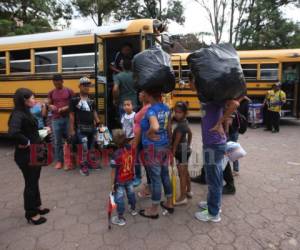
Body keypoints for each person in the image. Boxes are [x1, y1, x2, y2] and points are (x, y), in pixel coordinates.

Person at [8, 88, 50, 225]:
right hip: (27, 155)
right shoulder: (18, 114)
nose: (35, 100)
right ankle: (31, 214)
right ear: (24, 101)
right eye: (32, 98)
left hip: (36, 150)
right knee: (30, 183)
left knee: (35, 180)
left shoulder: (26, 112)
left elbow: (29, 130)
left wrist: (42, 131)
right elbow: (14, 132)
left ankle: (37, 206)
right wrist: (26, 142)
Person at [139, 90, 173, 219]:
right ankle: (169, 202)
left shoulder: (151, 110)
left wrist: (148, 134)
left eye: (145, 93)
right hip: (164, 146)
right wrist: (169, 146)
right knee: (165, 175)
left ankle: (154, 209)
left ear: (149, 95)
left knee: (155, 178)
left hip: (153, 149)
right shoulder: (166, 108)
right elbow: (169, 128)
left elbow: (155, 126)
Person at [69, 77, 100, 176]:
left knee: (91, 146)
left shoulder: (91, 100)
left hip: (91, 127)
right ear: (79, 86)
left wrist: (99, 123)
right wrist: (72, 129)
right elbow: (72, 115)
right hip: (80, 127)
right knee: (85, 145)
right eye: (84, 85)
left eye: (88, 85)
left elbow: (94, 112)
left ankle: (90, 163)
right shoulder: (74, 100)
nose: (86, 87)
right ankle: (83, 166)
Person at [110, 129, 137, 226]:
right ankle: (133, 209)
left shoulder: (115, 155)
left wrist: (112, 184)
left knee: (119, 198)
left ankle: (120, 218)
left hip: (120, 180)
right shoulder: (131, 149)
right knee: (131, 193)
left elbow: (113, 172)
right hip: (129, 176)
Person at [48, 74, 74, 170]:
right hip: (55, 119)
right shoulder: (51, 92)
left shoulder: (69, 91)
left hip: (67, 118)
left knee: (69, 140)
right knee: (57, 141)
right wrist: (50, 106)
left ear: (62, 81)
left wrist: (65, 108)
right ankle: (59, 161)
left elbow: (73, 104)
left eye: (58, 84)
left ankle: (69, 161)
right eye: (55, 84)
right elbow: (49, 102)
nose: (56, 86)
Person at [172, 102, 193, 206]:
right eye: (175, 112)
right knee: (186, 172)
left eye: (179, 112)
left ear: (185, 113)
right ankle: (189, 191)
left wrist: (172, 153)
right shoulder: (185, 122)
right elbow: (190, 133)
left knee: (182, 175)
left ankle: (182, 197)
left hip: (180, 151)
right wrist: (188, 144)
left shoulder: (180, 126)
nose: (176, 114)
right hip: (185, 149)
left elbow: (175, 142)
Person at [133, 91, 151, 190]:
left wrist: (135, 141)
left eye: (141, 93)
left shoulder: (147, 108)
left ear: (145, 96)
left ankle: (149, 185)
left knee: (145, 162)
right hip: (140, 138)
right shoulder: (143, 107)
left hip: (141, 139)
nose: (138, 94)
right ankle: (147, 182)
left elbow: (141, 126)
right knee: (141, 160)